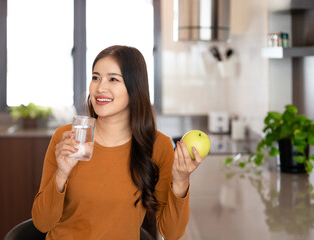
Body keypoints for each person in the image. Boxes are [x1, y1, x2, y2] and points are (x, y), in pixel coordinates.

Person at [32, 45, 205, 240]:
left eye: (113, 79)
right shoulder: (67, 137)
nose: (100, 88)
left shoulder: (157, 145)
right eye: (96, 77)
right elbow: (42, 222)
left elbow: (171, 233)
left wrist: (181, 180)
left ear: (135, 87)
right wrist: (61, 174)